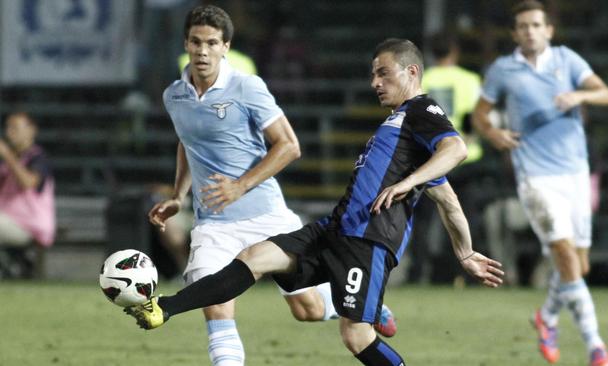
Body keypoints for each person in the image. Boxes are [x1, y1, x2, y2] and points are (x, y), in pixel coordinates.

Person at [126, 38, 505, 365]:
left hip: (367, 242)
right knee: (255, 258)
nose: (375, 82)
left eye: (383, 73)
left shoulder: (423, 110)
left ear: (411, 72)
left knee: (356, 337)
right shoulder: (398, 125)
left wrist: (409, 182)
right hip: (335, 229)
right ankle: (164, 308)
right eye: (372, 74)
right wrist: (466, 252)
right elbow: (449, 200)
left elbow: (454, 149)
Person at [145, 5, 395, 366]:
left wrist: (239, 186)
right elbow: (188, 142)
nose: (203, 51)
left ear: (225, 46)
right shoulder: (175, 95)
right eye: (196, 42)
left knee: (306, 309)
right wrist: (177, 195)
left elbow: (289, 145)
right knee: (215, 305)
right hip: (214, 223)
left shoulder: (246, 87)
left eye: (212, 43)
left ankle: (369, 308)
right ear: (186, 43)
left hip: (266, 217)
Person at [471, 2, 608, 365]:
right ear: (515, 33)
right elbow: (479, 115)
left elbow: (607, 95)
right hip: (535, 176)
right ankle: (595, 347)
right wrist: (494, 134)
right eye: (523, 26)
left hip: (575, 173)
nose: (530, 31)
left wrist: (579, 95)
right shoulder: (503, 70)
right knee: (565, 256)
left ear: (548, 30)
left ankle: (547, 318)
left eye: (536, 25)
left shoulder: (568, 60)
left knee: (577, 268)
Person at [409, 31, 484, 284]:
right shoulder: (470, 80)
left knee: (423, 220)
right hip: (465, 157)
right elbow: (473, 119)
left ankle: (417, 272)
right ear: (455, 51)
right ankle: (463, 273)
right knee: (465, 215)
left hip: (432, 158)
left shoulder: (424, 79)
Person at [0, 112, 55, 278]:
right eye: (8, 128)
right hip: (8, 220)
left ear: (32, 130)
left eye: (15, 128)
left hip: (30, 225)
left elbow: (28, 182)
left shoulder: (38, 157)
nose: (10, 132)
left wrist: (7, 154)